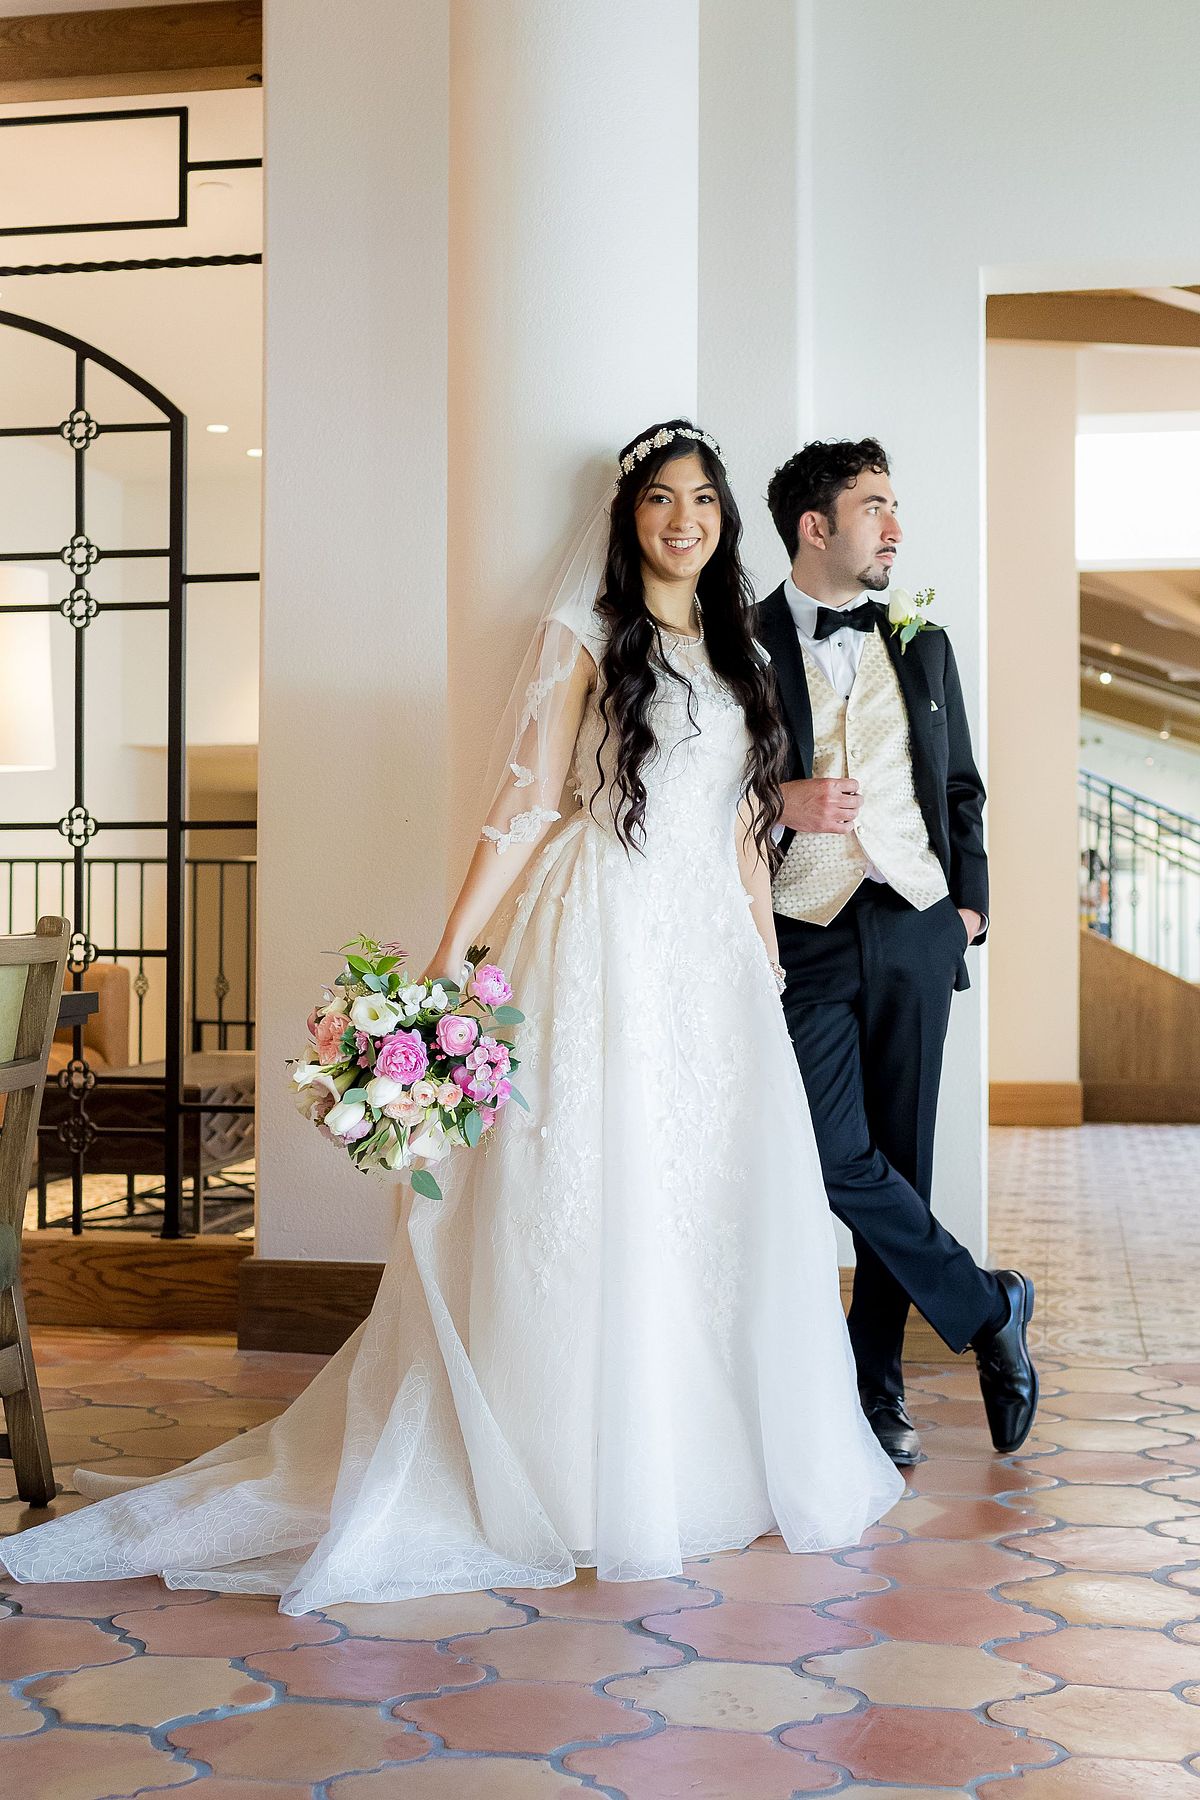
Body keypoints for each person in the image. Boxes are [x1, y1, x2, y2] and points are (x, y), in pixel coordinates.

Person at [0, 421, 902, 1612]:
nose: (682, 519)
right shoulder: (586, 635)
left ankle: (701, 1460)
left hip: (707, 954)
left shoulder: (740, 648)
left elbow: (743, 821)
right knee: (594, 1187)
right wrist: (449, 952)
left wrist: (761, 951)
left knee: (704, 1196)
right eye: (658, 501)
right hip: (605, 927)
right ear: (629, 519)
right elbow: (523, 807)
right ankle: (571, 1472)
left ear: (726, 519)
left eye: (701, 500)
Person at [756, 438, 1037, 1468]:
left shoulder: (923, 644)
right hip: (803, 932)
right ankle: (989, 1305)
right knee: (835, 1158)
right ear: (814, 526)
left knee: (901, 1163)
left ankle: (876, 1388)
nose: (895, 528)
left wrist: (969, 907)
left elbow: (959, 785)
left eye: (894, 506)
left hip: (915, 925)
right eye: (875, 506)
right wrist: (777, 801)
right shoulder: (738, 646)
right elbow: (697, 785)